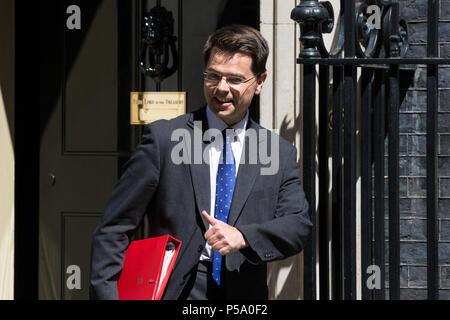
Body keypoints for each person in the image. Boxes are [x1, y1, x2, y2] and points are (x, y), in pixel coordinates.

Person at [89, 24, 312, 300]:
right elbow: (114, 228)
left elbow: (297, 226)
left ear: (260, 82)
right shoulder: (164, 140)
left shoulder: (278, 152)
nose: (221, 88)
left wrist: (244, 236)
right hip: (177, 291)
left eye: (234, 79)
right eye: (213, 76)